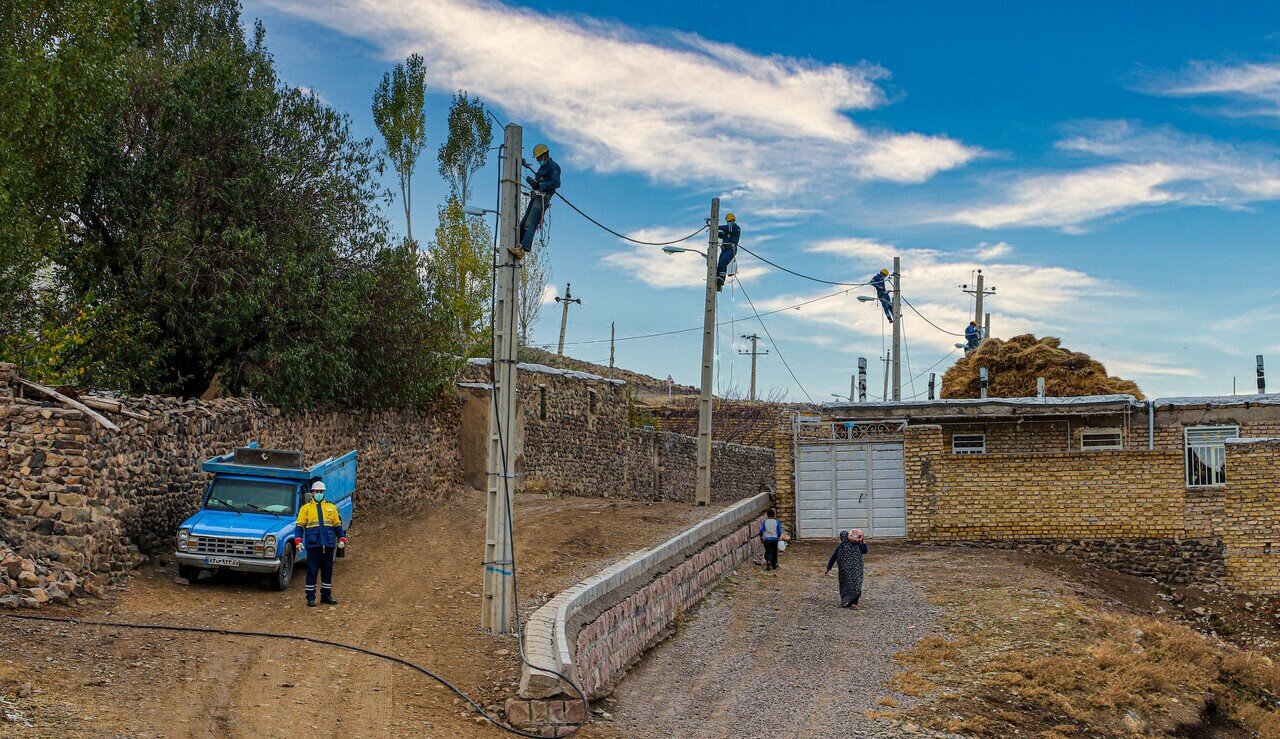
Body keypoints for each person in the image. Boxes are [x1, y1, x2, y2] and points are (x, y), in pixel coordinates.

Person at [293, 480, 346, 607]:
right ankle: (310, 597)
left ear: (324, 493)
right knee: (312, 570)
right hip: (313, 545)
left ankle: (326, 595)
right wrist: (298, 540)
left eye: (321, 492)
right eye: (317, 492)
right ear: (312, 493)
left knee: (328, 570)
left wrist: (342, 538)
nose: (319, 494)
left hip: (328, 544)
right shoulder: (305, 509)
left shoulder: (331, 508)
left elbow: (337, 525)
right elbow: (299, 525)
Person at [513, 143, 561, 258]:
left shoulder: (554, 167)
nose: (538, 160)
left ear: (545, 155)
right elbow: (538, 183)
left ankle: (523, 250)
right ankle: (516, 245)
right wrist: (534, 183)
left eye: (539, 158)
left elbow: (556, 183)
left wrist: (540, 185)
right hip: (535, 197)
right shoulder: (541, 168)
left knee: (531, 223)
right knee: (524, 223)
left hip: (543, 199)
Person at [824, 529, 868, 608]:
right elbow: (865, 550)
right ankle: (854, 603)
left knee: (845, 584)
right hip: (857, 570)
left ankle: (847, 601)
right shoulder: (857, 545)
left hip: (845, 572)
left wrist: (828, 568)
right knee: (856, 585)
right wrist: (862, 541)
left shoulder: (840, 547)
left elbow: (833, 557)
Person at [715, 213, 741, 292]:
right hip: (724, 249)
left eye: (729, 221)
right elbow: (721, 234)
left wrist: (715, 226)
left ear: (733, 220)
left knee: (723, 262)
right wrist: (715, 232)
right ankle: (717, 280)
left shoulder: (736, 228)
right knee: (719, 264)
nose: (728, 222)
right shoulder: (728, 230)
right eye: (728, 221)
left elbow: (727, 228)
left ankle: (721, 279)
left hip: (731, 249)